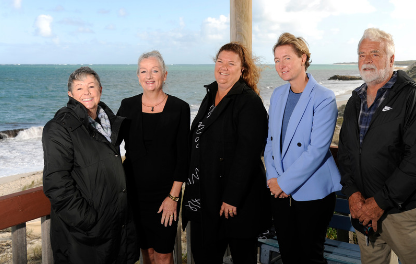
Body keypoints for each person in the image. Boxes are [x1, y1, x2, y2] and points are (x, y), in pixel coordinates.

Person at [337, 28, 416, 264]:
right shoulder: (355, 100)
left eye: (375, 53)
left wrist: (380, 202)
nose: (367, 59)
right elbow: (345, 153)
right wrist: (352, 193)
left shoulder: (411, 97)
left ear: (391, 59)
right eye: (362, 54)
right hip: (364, 214)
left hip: (403, 214)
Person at [182, 42, 270, 264]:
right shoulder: (210, 94)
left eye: (231, 63)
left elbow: (247, 155)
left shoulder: (249, 101)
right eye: (220, 61)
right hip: (205, 198)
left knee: (242, 259)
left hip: (236, 204)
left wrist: (231, 198)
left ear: (242, 69)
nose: (223, 67)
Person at [42, 67, 139, 264]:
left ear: (100, 90)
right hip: (84, 237)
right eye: (79, 88)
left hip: (115, 229)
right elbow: (56, 184)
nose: (86, 92)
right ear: (70, 94)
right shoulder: (59, 128)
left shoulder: (108, 124)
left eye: (91, 86)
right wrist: (89, 222)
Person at [264, 32, 342, 264]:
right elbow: (271, 143)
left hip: (312, 192)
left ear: (303, 58)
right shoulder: (278, 95)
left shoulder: (324, 97)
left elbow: (317, 150)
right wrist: (272, 179)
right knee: (288, 255)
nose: (281, 65)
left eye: (287, 58)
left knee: (310, 257)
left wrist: (284, 183)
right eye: (277, 60)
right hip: (279, 191)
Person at [117, 50, 190, 264]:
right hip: (134, 194)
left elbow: (183, 157)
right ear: (138, 76)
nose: (149, 76)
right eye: (144, 71)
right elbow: (110, 145)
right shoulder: (127, 105)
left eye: (155, 70)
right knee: (146, 252)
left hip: (166, 195)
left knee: (164, 253)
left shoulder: (179, 108)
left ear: (164, 75)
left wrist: (173, 198)